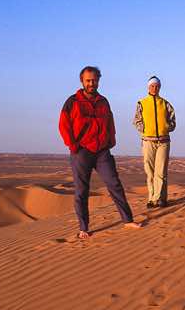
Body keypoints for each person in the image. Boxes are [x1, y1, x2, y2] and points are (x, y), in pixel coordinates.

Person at [59, 66, 140, 239]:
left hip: (102, 151)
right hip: (81, 151)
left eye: (94, 80)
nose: (91, 83)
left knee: (114, 183)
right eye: (88, 80)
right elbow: (64, 125)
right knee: (82, 190)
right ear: (82, 81)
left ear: (98, 81)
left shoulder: (103, 101)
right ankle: (83, 228)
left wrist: (111, 140)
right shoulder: (72, 101)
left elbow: (110, 121)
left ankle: (128, 220)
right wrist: (73, 146)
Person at [133, 76, 176, 208]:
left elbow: (173, 121)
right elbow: (136, 120)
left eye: (157, 86)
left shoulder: (165, 103)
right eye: (152, 85)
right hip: (148, 141)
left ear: (159, 87)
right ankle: (152, 198)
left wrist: (166, 127)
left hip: (163, 141)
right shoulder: (141, 103)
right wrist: (144, 130)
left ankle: (160, 198)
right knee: (150, 171)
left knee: (161, 171)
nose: (154, 88)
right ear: (148, 87)